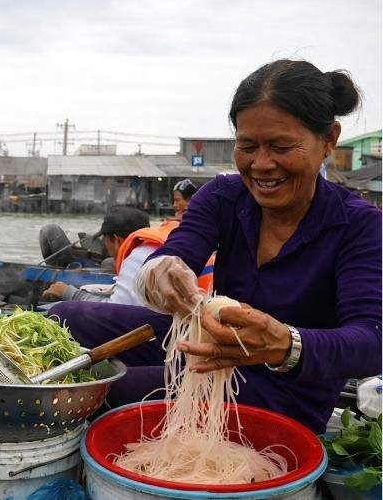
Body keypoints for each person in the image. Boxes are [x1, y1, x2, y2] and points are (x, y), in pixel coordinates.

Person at [49, 59, 381, 433]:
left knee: (111, 390)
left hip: (285, 390)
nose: (261, 164)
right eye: (247, 146)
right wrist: (162, 271)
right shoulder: (225, 196)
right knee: (65, 316)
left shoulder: (360, 225)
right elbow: (178, 250)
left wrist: (288, 344)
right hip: (209, 343)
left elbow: (371, 341)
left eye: (281, 146)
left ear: (329, 140)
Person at [41, 207, 150, 305]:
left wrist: (68, 293)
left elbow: (114, 309)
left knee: (60, 311)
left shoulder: (134, 262)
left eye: (105, 239)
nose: (104, 244)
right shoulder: (151, 251)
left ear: (117, 241)